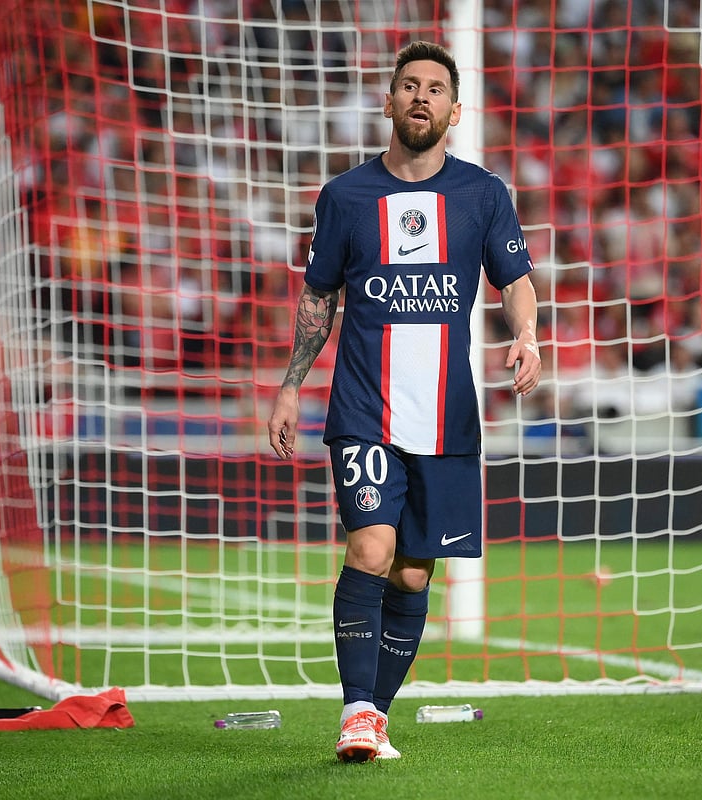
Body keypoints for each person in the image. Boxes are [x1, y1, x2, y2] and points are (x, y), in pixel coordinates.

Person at [266, 41, 541, 763]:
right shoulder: (346, 196)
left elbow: (514, 280)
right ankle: (356, 713)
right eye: (409, 86)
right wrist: (292, 386)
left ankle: (375, 715)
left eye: (436, 89)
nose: (421, 97)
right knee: (372, 547)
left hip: (447, 416)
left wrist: (529, 335)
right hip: (364, 408)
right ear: (388, 103)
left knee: (414, 572)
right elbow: (319, 298)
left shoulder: (483, 194)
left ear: (456, 110)